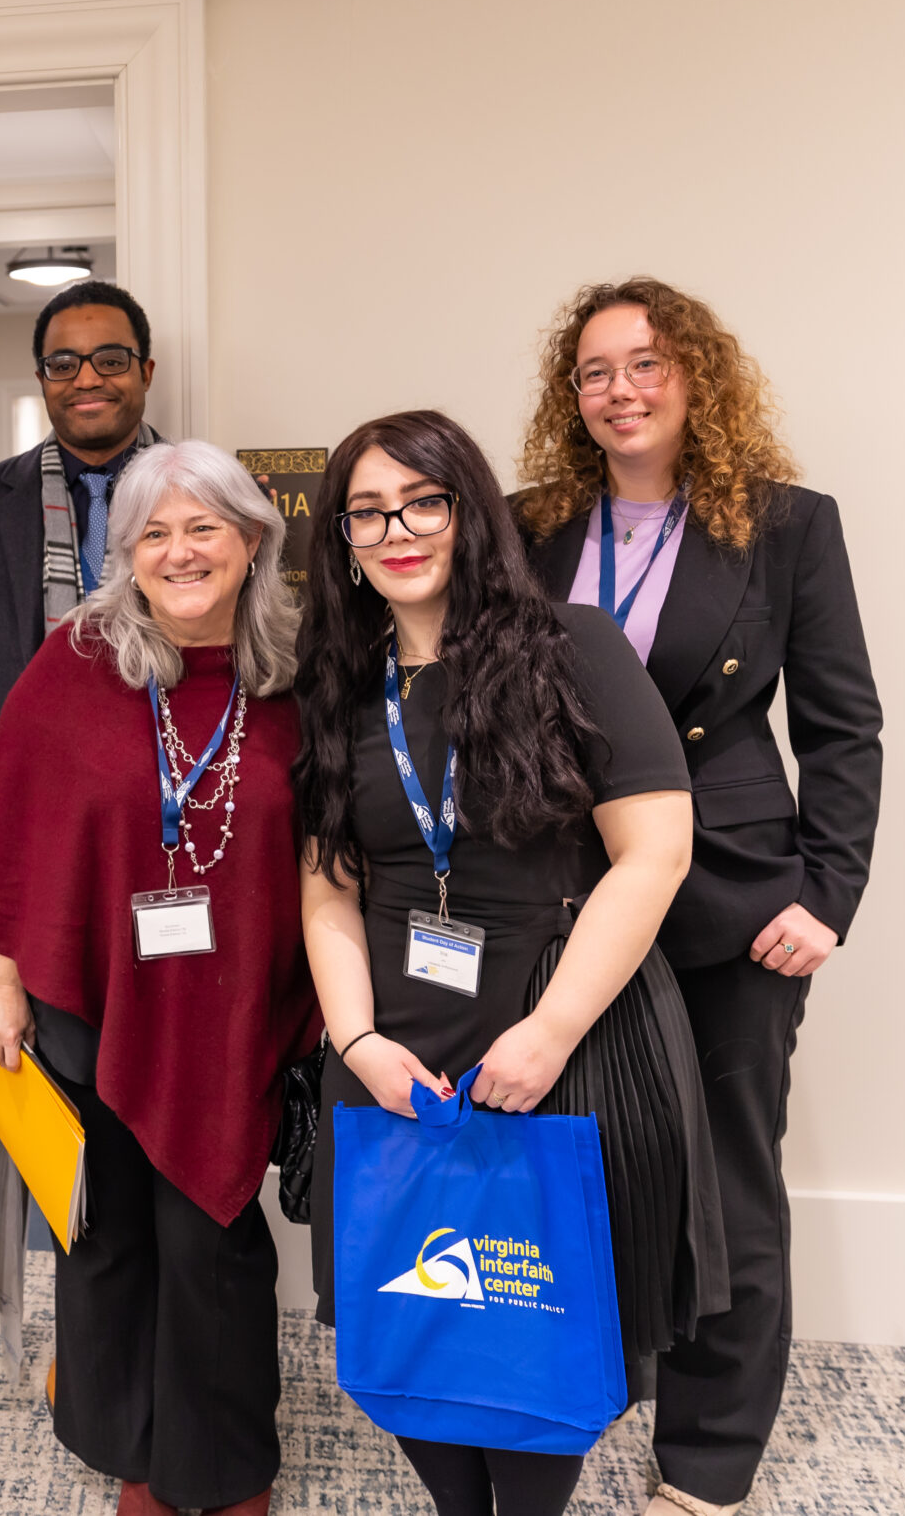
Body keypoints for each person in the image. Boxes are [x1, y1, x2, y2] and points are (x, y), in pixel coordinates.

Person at [296, 410, 725, 1516]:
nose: (395, 529)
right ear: (341, 539)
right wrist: (355, 1042)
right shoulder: (343, 684)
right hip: (393, 1048)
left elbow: (655, 851)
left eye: (421, 502)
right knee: (414, 1324)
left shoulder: (573, 647)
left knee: (537, 1340)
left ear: (467, 511)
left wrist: (549, 1034)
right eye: (366, 512)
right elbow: (327, 884)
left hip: (553, 1029)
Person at [514, 279, 882, 1516]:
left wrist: (826, 892)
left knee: (726, 1187)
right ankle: (559, 1416)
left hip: (729, 903)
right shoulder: (528, 526)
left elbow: (842, 729)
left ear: (696, 379)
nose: (619, 391)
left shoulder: (786, 526)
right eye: (594, 373)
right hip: (559, 901)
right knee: (572, 1171)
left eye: (645, 364)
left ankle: (708, 1468)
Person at [0, 440, 316, 1516]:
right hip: (92, 997)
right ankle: (137, 1459)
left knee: (214, 1239)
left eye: (204, 528)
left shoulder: (295, 671)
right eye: (154, 533)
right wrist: (2, 982)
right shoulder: (77, 660)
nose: (180, 551)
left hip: (237, 1008)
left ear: (252, 540)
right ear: (127, 555)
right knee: (108, 1240)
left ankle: (226, 1467)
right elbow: (8, 829)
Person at [0, 278, 162, 827]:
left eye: (110, 360)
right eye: (63, 363)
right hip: (24, 808)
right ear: (41, 379)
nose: (86, 379)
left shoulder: (204, 497)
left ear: (145, 372)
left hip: (169, 800)